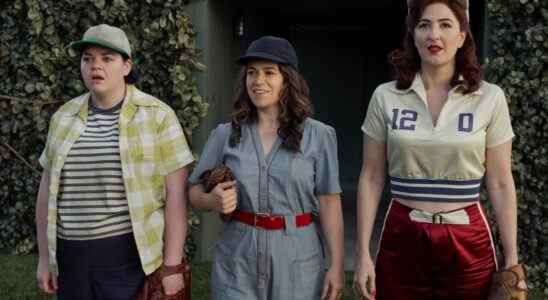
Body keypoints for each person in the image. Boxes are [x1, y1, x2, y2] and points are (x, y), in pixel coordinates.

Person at [353, 0, 523, 299]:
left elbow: (499, 181)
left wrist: (511, 259)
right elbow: (371, 176)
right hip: (402, 235)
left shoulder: (490, 97)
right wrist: (363, 253)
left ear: (462, 36)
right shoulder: (385, 96)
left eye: (445, 24)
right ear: (413, 35)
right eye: (424, 25)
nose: (434, 35)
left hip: (468, 239)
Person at [35, 24, 193, 299]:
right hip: (70, 257)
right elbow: (46, 191)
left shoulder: (158, 116)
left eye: (107, 58)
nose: (96, 66)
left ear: (126, 66)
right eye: (88, 59)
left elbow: (176, 195)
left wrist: (172, 266)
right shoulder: (63, 117)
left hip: (127, 256)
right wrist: (45, 259)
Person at [188, 36, 345, 300]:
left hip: (297, 259)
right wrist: (212, 200)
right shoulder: (224, 135)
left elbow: (329, 203)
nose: (258, 81)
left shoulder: (319, 135)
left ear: (287, 80)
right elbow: (193, 193)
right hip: (238, 258)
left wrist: (338, 266)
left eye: (269, 72)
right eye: (251, 73)